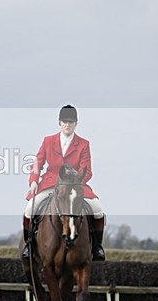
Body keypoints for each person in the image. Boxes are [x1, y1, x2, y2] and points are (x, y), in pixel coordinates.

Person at [22, 105, 106, 262]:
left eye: (71, 122)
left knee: (97, 209)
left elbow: (87, 170)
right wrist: (33, 181)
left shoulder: (83, 144)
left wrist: (76, 182)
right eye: (65, 122)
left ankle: (97, 247)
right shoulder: (48, 141)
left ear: (76, 124)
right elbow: (37, 163)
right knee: (30, 209)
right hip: (50, 183)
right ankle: (29, 245)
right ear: (59, 123)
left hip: (75, 185)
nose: (68, 125)